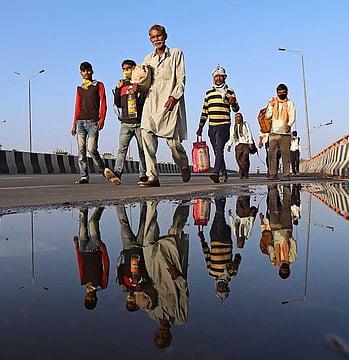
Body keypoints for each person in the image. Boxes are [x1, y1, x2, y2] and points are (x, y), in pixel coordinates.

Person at [137, 24, 191, 188]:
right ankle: (152, 176)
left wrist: (174, 97)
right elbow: (144, 81)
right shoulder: (148, 59)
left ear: (165, 36)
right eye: (153, 37)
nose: (156, 40)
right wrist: (138, 87)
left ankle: (183, 165)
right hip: (151, 103)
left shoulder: (176, 54)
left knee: (173, 143)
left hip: (169, 103)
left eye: (158, 36)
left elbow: (181, 80)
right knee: (146, 134)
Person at [141, 201, 190, 348]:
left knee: (148, 241)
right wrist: (178, 277)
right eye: (163, 336)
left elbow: (144, 293)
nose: (161, 333)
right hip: (172, 273)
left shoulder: (152, 313)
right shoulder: (180, 317)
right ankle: (185, 202)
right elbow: (184, 293)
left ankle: (152, 204)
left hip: (154, 271)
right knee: (175, 229)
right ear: (169, 335)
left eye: (158, 335)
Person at [71, 61, 117, 184]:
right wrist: (74, 124)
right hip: (80, 122)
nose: (87, 72)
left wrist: (102, 118)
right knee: (81, 150)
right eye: (84, 71)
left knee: (91, 149)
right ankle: (84, 176)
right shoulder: (80, 88)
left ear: (92, 71)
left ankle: (104, 171)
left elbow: (103, 102)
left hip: (93, 122)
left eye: (89, 70)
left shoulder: (99, 85)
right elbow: (77, 106)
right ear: (81, 73)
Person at [196, 66, 240, 183]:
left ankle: (215, 172)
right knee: (217, 151)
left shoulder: (229, 91)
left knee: (219, 147)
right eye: (216, 76)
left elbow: (236, 109)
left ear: (224, 77)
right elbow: (205, 110)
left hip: (224, 124)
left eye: (220, 76)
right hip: (212, 126)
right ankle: (224, 174)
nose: (218, 78)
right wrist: (200, 127)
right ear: (213, 78)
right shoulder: (209, 93)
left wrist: (233, 103)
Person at [111, 59, 148, 185]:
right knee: (122, 149)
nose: (126, 71)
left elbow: (144, 102)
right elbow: (117, 103)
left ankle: (143, 175)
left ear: (134, 69)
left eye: (129, 68)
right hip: (125, 123)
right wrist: (117, 89)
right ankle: (117, 173)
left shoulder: (140, 84)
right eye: (124, 69)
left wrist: (137, 92)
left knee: (142, 150)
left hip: (138, 122)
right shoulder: (122, 86)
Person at [198, 197, 242, 301]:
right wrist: (234, 265)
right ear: (228, 287)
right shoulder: (231, 275)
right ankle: (219, 194)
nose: (222, 287)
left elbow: (207, 256)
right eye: (224, 289)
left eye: (220, 289)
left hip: (213, 240)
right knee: (219, 215)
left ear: (216, 288)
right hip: (225, 241)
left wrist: (202, 240)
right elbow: (238, 257)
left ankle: (221, 197)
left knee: (218, 215)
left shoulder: (211, 273)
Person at [73, 207, 109, 310]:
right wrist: (104, 252)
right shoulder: (102, 285)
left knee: (82, 225)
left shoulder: (83, 283)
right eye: (91, 300)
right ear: (95, 299)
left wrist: (76, 247)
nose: (89, 298)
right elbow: (106, 268)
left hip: (83, 250)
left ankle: (83, 208)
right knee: (93, 223)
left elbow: (80, 265)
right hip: (95, 249)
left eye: (87, 300)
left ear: (85, 298)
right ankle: (100, 206)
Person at [265, 83, 296, 181]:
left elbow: (292, 116)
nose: (281, 94)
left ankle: (286, 174)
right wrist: (270, 105)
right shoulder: (273, 103)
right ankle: (273, 173)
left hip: (285, 133)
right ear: (277, 93)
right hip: (274, 132)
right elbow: (267, 116)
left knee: (285, 154)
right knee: (272, 154)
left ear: (287, 92)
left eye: (283, 92)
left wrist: (289, 125)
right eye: (279, 93)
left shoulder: (290, 103)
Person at [266, 185, 297, 279]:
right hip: (287, 230)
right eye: (286, 270)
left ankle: (272, 188)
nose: (284, 269)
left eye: (282, 270)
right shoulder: (292, 258)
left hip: (275, 231)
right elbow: (294, 245)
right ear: (289, 270)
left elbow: (269, 246)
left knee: (273, 207)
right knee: (286, 207)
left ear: (279, 270)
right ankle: (286, 187)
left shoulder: (274, 260)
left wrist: (273, 257)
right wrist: (290, 237)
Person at [227, 113, 254, 179]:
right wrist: (229, 145)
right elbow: (231, 136)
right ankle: (242, 171)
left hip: (245, 144)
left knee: (245, 159)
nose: (238, 118)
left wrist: (250, 143)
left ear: (241, 117)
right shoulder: (233, 126)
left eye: (239, 116)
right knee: (238, 160)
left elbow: (249, 133)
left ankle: (246, 173)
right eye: (236, 117)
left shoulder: (245, 124)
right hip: (238, 145)